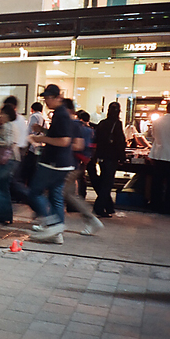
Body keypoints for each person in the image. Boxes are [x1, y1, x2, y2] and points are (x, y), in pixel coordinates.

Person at [27, 85, 74, 244]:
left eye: (48, 98)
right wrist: (43, 130)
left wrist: (40, 139)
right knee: (55, 196)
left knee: (34, 192)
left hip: (53, 163)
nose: (46, 101)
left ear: (56, 97)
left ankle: (52, 223)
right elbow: (58, 135)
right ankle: (57, 232)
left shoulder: (61, 114)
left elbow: (64, 140)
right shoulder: (60, 114)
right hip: (63, 163)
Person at [61, 101, 104, 235]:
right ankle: (91, 220)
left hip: (67, 164)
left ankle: (50, 223)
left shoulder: (72, 126)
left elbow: (75, 145)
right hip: (76, 164)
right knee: (68, 194)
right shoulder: (88, 129)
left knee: (61, 193)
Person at [91, 102, 126, 218]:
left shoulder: (102, 123)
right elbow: (120, 142)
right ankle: (99, 207)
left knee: (104, 181)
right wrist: (122, 157)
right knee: (107, 182)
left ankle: (109, 207)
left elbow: (96, 139)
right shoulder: (117, 124)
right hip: (112, 156)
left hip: (101, 156)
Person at [21, 102, 46, 187]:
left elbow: (29, 131)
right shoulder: (43, 118)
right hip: (39, 146)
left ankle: (25, 191)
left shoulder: (33, 116)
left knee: (26, 170)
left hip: (31, 146)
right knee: (34, 169)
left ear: (32, 109)